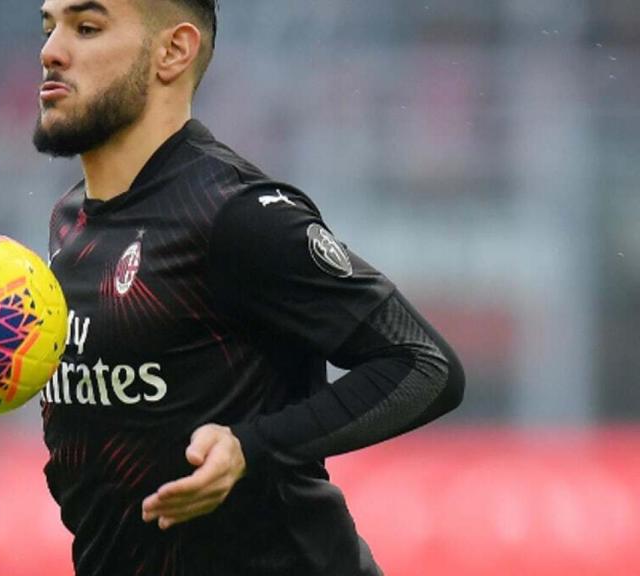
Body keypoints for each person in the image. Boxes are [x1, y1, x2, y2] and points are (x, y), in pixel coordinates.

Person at [32, 1, 465, 574]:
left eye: (86, 28)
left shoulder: (233, 214)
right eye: (49, 27)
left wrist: (250, 447)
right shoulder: (69, 223)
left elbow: (424, 364)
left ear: (173, 51)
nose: (50, 51)